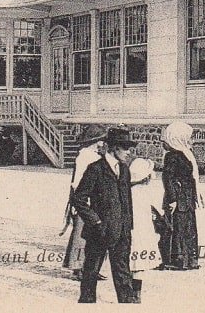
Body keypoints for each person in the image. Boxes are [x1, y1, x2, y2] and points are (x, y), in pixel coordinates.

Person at [70, 127, 139, 304]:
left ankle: (128, 303)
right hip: (99, 232)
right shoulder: (95, 169)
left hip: (122, 233)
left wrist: (128, 227)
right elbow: (78, 199)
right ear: (114, 148)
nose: (129, 153)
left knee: (123, 275)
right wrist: (96, 222)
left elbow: (127, 202)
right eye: (126, 148)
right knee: (90, 275)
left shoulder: (124, 170)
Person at [62, 124, 108, 279]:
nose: (103, 143)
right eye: (102, 140)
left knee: (93, 235)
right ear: (96, 141)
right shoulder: (85, 156)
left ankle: (91, 268)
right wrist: (79, 201)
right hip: (85, 199)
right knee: (80, 235)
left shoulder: (93, 155)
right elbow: (78, 181)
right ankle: (77, 268)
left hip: (93, 200)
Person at [160, 121, 202, 270]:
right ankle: (178, 259)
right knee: (177, 227)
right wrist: (173, 199)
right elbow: (168, 178)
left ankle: (191, 259)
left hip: (187, 196)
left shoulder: (186, 153)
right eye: (190, 137)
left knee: (189, 227)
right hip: (178, 198)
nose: (193, 141)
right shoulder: (172, 156)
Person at [128, 157, 162, 283]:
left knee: (134, 263)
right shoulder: (141, 192)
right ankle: (135, 293)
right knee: (139, 265)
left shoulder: (132, 191)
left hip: (136, 230)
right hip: (141, 232)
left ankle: (132, 290)